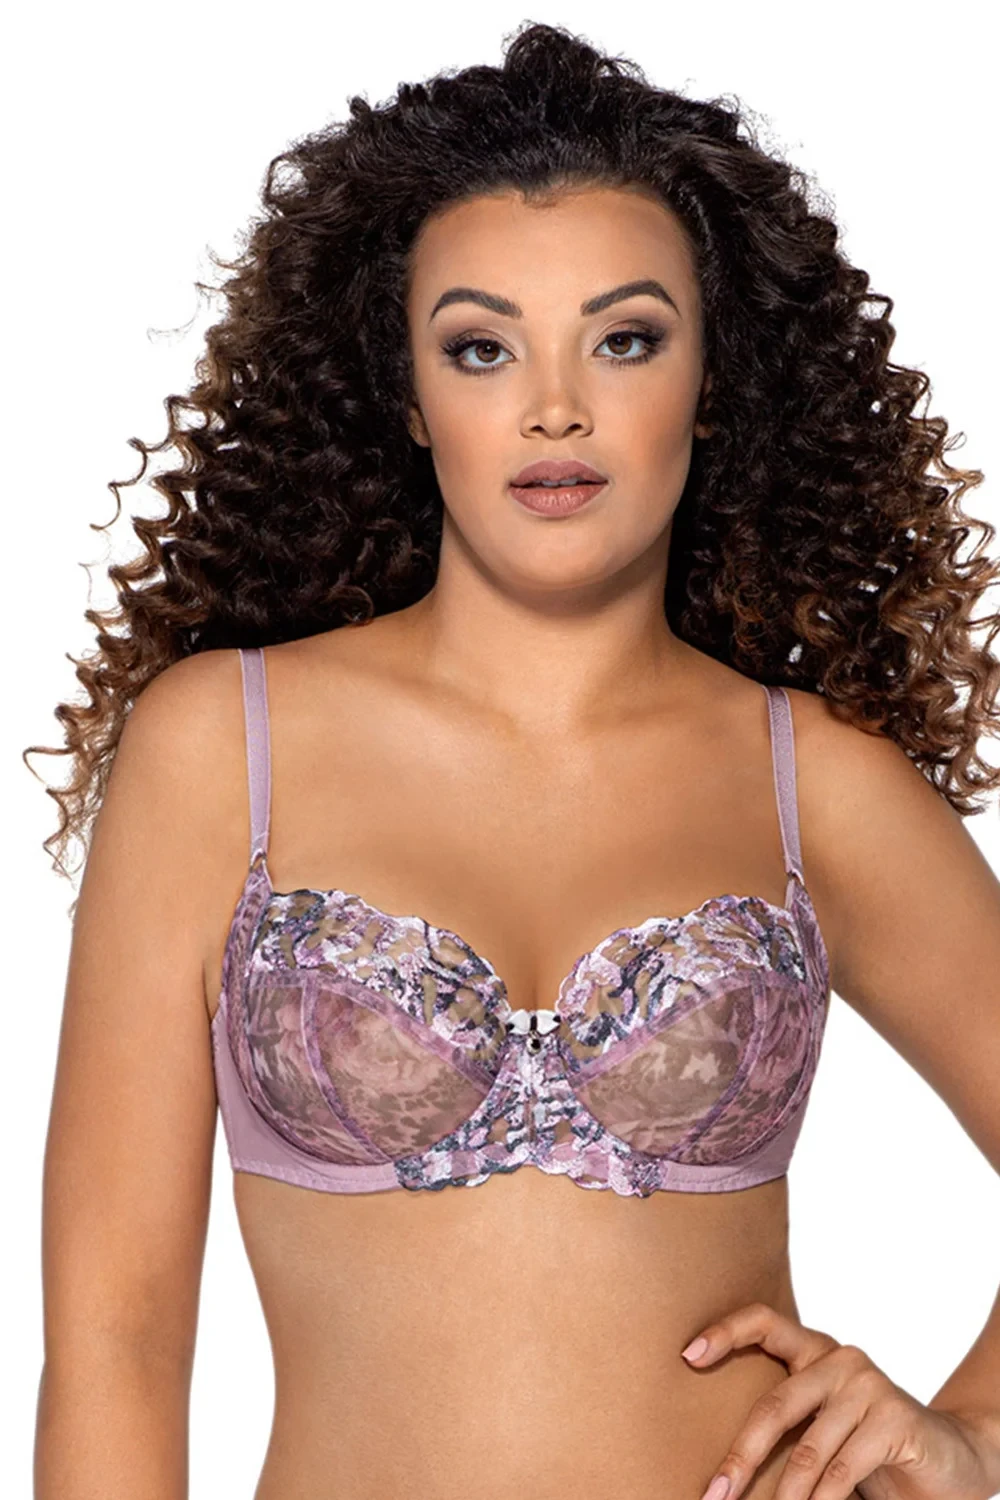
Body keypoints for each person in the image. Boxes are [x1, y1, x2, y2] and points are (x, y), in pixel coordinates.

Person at [28, 19, 1000, 1500]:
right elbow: (117, 1335)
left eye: (626, 339)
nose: (557, 406)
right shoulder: (224, 749)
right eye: (482, 348)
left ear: (713, 381)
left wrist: (970, 1435)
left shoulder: (815, 785)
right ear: (410, 399)